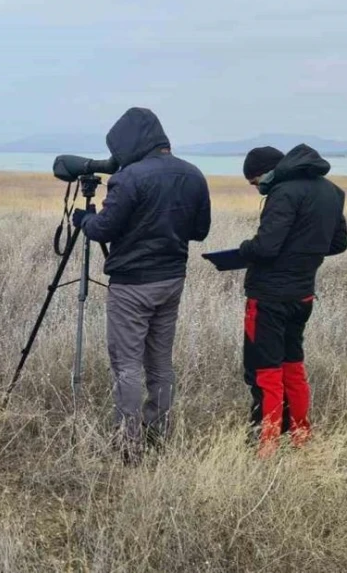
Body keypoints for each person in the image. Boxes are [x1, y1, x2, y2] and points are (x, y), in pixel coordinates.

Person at [73, 107, 211, 463]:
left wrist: (85, 219)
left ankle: (127, 444)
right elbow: (200, 231)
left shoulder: (130, 178)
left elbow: (103, 230)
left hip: (133, 284)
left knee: (127, 363)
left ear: (130, 141)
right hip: (171, 280)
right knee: (160, 361)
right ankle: (157, 433)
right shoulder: (194, 174)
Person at [239, 144, 347, 458]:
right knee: (293, 368)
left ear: (267, 172)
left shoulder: (283, 193)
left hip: (269, 297)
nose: (258, 188)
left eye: (255, 182)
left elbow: (266, 247)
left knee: (266, 372)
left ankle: (266, 447)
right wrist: (303, 253)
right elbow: (339, 243)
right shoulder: (332, 191)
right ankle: (300, 437)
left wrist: (244, 250)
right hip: (303, 295)